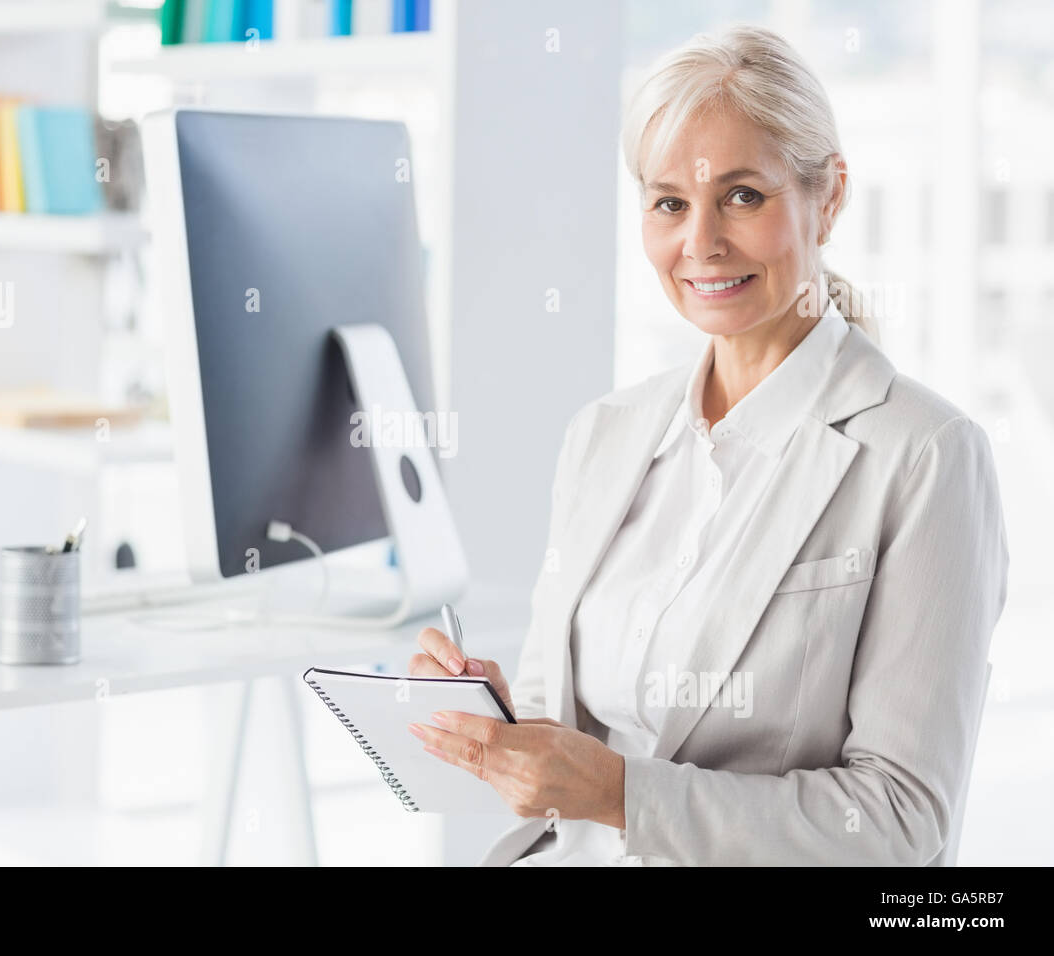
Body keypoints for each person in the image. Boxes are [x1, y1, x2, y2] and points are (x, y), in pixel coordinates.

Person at [406, 24, 1009, 866]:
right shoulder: (603, 436)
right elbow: (570, 736)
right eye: (670, 203)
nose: (701, 243)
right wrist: (496, 729)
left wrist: (624, 796)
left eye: (743, 196)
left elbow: (901, 823)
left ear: (829, 195)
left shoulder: (925, 455)